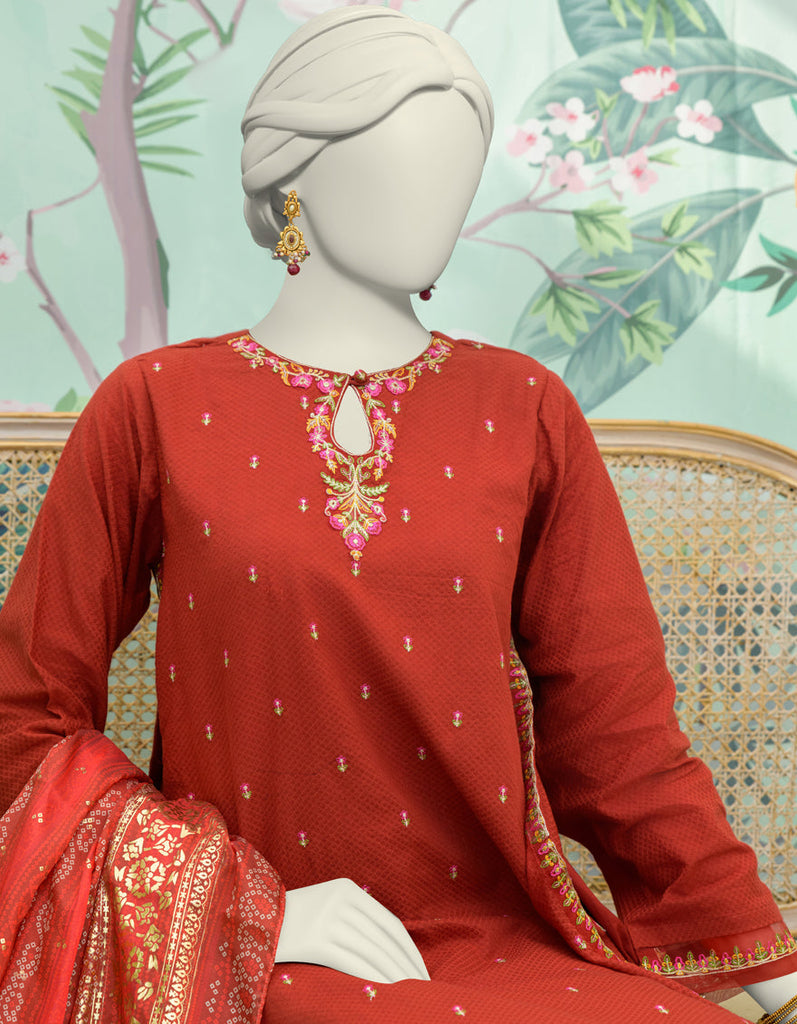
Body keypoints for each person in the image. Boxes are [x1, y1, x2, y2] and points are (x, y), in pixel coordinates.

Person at [1, 7, 796, 1022]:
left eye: (455, 173)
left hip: (505, 940)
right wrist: (245, 910)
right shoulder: (154, 407)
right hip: (266, 956)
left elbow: (621, 740)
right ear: (293, 172)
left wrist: (773, 980)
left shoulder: (525, 410)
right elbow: (23, 719)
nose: (434, 203)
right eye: (398, 164)